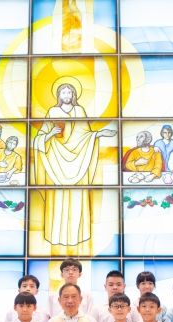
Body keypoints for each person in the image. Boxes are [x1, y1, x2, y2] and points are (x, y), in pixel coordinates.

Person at [32, 81, 116, 246]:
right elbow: (38, 139)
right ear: (58, 95)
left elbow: (85, 135)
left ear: (74, 95)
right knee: (57, 201)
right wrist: (51, 134)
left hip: (79, 162)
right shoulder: (53, 112)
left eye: (69, 92)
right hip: (56, 163)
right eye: (63, 92)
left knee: (77, 200)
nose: (66, 95)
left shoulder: (79, 111)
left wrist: (99, 134)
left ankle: (77, 236)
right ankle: (55, 236)